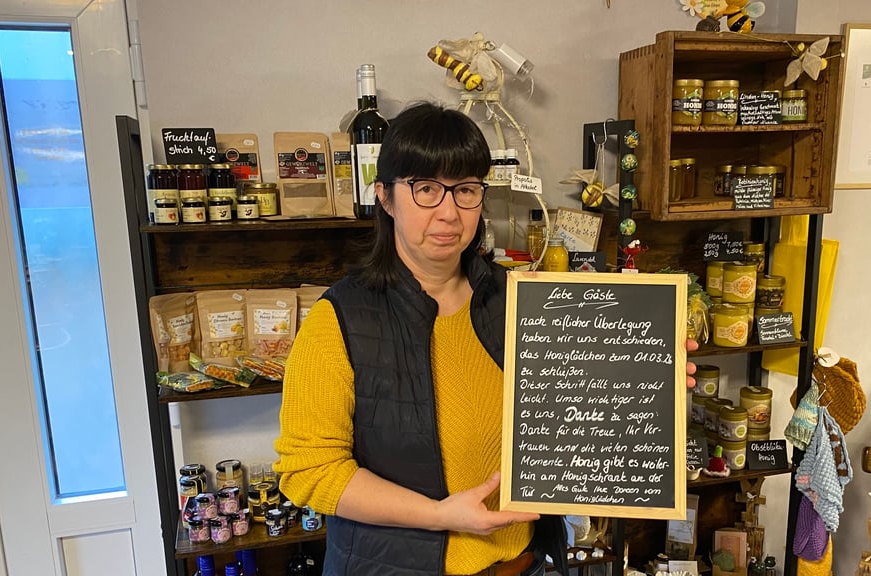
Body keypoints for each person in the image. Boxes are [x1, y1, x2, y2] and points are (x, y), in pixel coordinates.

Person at [274, 101, 698, 576]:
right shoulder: (338, 321)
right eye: (426, 188)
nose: (449, 213)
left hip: (523, 564)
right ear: (385, 197)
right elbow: (310, 471)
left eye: (466, 190)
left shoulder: (521, 300)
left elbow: (566, 412)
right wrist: (439, 514)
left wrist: (645, 383)